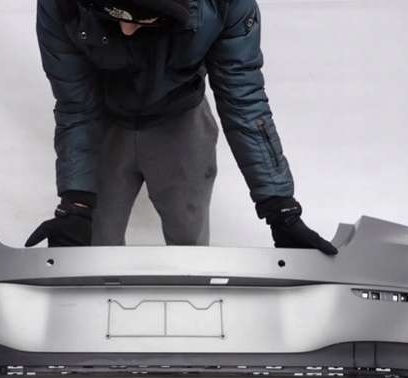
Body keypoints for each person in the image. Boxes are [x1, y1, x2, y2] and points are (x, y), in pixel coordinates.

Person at [25, 0, 337, 255]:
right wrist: (76, 201)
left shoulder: (225, 5)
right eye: (116, 16)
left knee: (189, 246)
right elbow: (76, 105)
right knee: (92, 247)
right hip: (103, 118)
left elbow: (243, 100)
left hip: (182, 118)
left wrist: (280, 208)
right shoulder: (62, 4)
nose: (126, 30)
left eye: (141, 20)